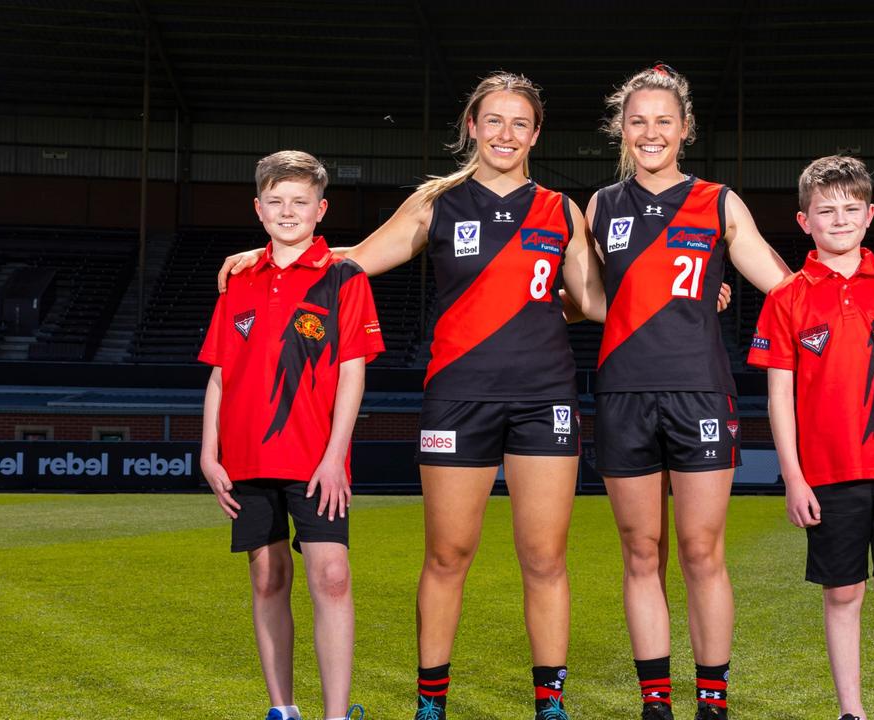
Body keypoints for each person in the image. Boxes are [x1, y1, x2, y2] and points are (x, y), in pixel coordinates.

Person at [218, 73, 606, 720]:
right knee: (448, 555)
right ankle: (432, 704)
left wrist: (682, 300)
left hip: (546, 398)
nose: (505, 134)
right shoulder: (436, 203)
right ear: (471, 127)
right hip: (457, 398)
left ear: (535, 133)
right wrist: (268, 254)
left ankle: (550, 705)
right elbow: (356, 260)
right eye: (493, 121)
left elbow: (594, 301)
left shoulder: (561, 210)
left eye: (520, 123)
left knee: (544, 557)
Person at [589, 66, 874, 720]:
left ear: (685, 129)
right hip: (623, 392)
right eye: (638, 121)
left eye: (664, 121)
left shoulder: (717, 202)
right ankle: (655, 704)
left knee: (700, 550)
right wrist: (661, 298)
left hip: (700, 395)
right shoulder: (601, 206)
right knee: (640, 552)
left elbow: (790, 287)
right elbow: (580, 297)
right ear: (621, 130)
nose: (651, 132)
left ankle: (711, 702)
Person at [747, 155, 874, 720]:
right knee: (842, 594)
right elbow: (779, 396)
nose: (839, 219)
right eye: (825, 210)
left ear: (870, 215)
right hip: (829, 473)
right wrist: (794, 477)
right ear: (804, 220)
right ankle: (850, 712)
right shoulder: (786, 297)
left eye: (850, 209)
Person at [200, 150, 381, 720]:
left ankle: (336, 714)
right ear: (258, 209)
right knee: (268, 575)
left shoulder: (344, 278)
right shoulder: (237, 281)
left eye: (300, 202)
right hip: (246, 458)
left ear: (320, 208)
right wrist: (208, 453)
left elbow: (353, 372)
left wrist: (335, 457)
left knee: (331, 575)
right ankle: (283, 709)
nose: (287, 211)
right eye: (275, 201)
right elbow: (220, 374)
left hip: (315, 461)